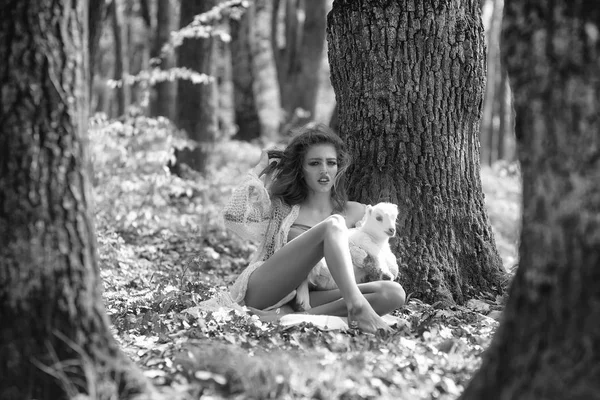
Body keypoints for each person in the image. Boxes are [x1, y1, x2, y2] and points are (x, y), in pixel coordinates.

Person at [222, 123, 405, 333]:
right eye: (315, 163)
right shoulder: (282, 207)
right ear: (301, 169)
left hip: (312, 299)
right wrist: (258, 170)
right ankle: (356, 306)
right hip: (266, 289)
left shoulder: (358, 213)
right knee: (334, 225)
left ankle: (295, 318)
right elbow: (233, 216)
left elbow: (383, 258)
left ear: (339, 167)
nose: (324, 170)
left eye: (331, 163)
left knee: (394, 293)